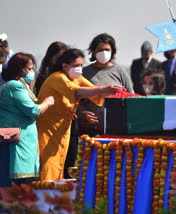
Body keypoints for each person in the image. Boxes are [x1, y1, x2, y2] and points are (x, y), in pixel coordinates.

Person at [36, 48, 123, 181]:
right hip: (47, 132)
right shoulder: (57, 77)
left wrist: (114, 92)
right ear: (65, 66)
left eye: (81, 65)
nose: (79, 69)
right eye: (76, 66)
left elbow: (95, 91)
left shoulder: (77, 79)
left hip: (63, 133)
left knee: (59, 171)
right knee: (47, 170)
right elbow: (77, 92)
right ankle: (43, 200)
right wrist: (104, 89)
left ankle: (55, 201)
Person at [0, 52, 54, 187]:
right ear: (19, 69)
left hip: (12, 137)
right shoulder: (15, 86)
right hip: (20, 140)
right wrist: (46, 103)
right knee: (21, 185)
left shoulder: (7, 85)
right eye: (29, 68)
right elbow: (33, 110)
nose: (32, 72)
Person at [78, 33, 134, 136]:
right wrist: (83, 113)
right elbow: (75, 98)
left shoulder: (120, 72)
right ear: (93, 52)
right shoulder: (84, 73)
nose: (104, 53)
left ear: (112, 51)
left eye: (107, 50)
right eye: (100, 50)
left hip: (115, 129)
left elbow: (132, 98)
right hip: (89, 130)